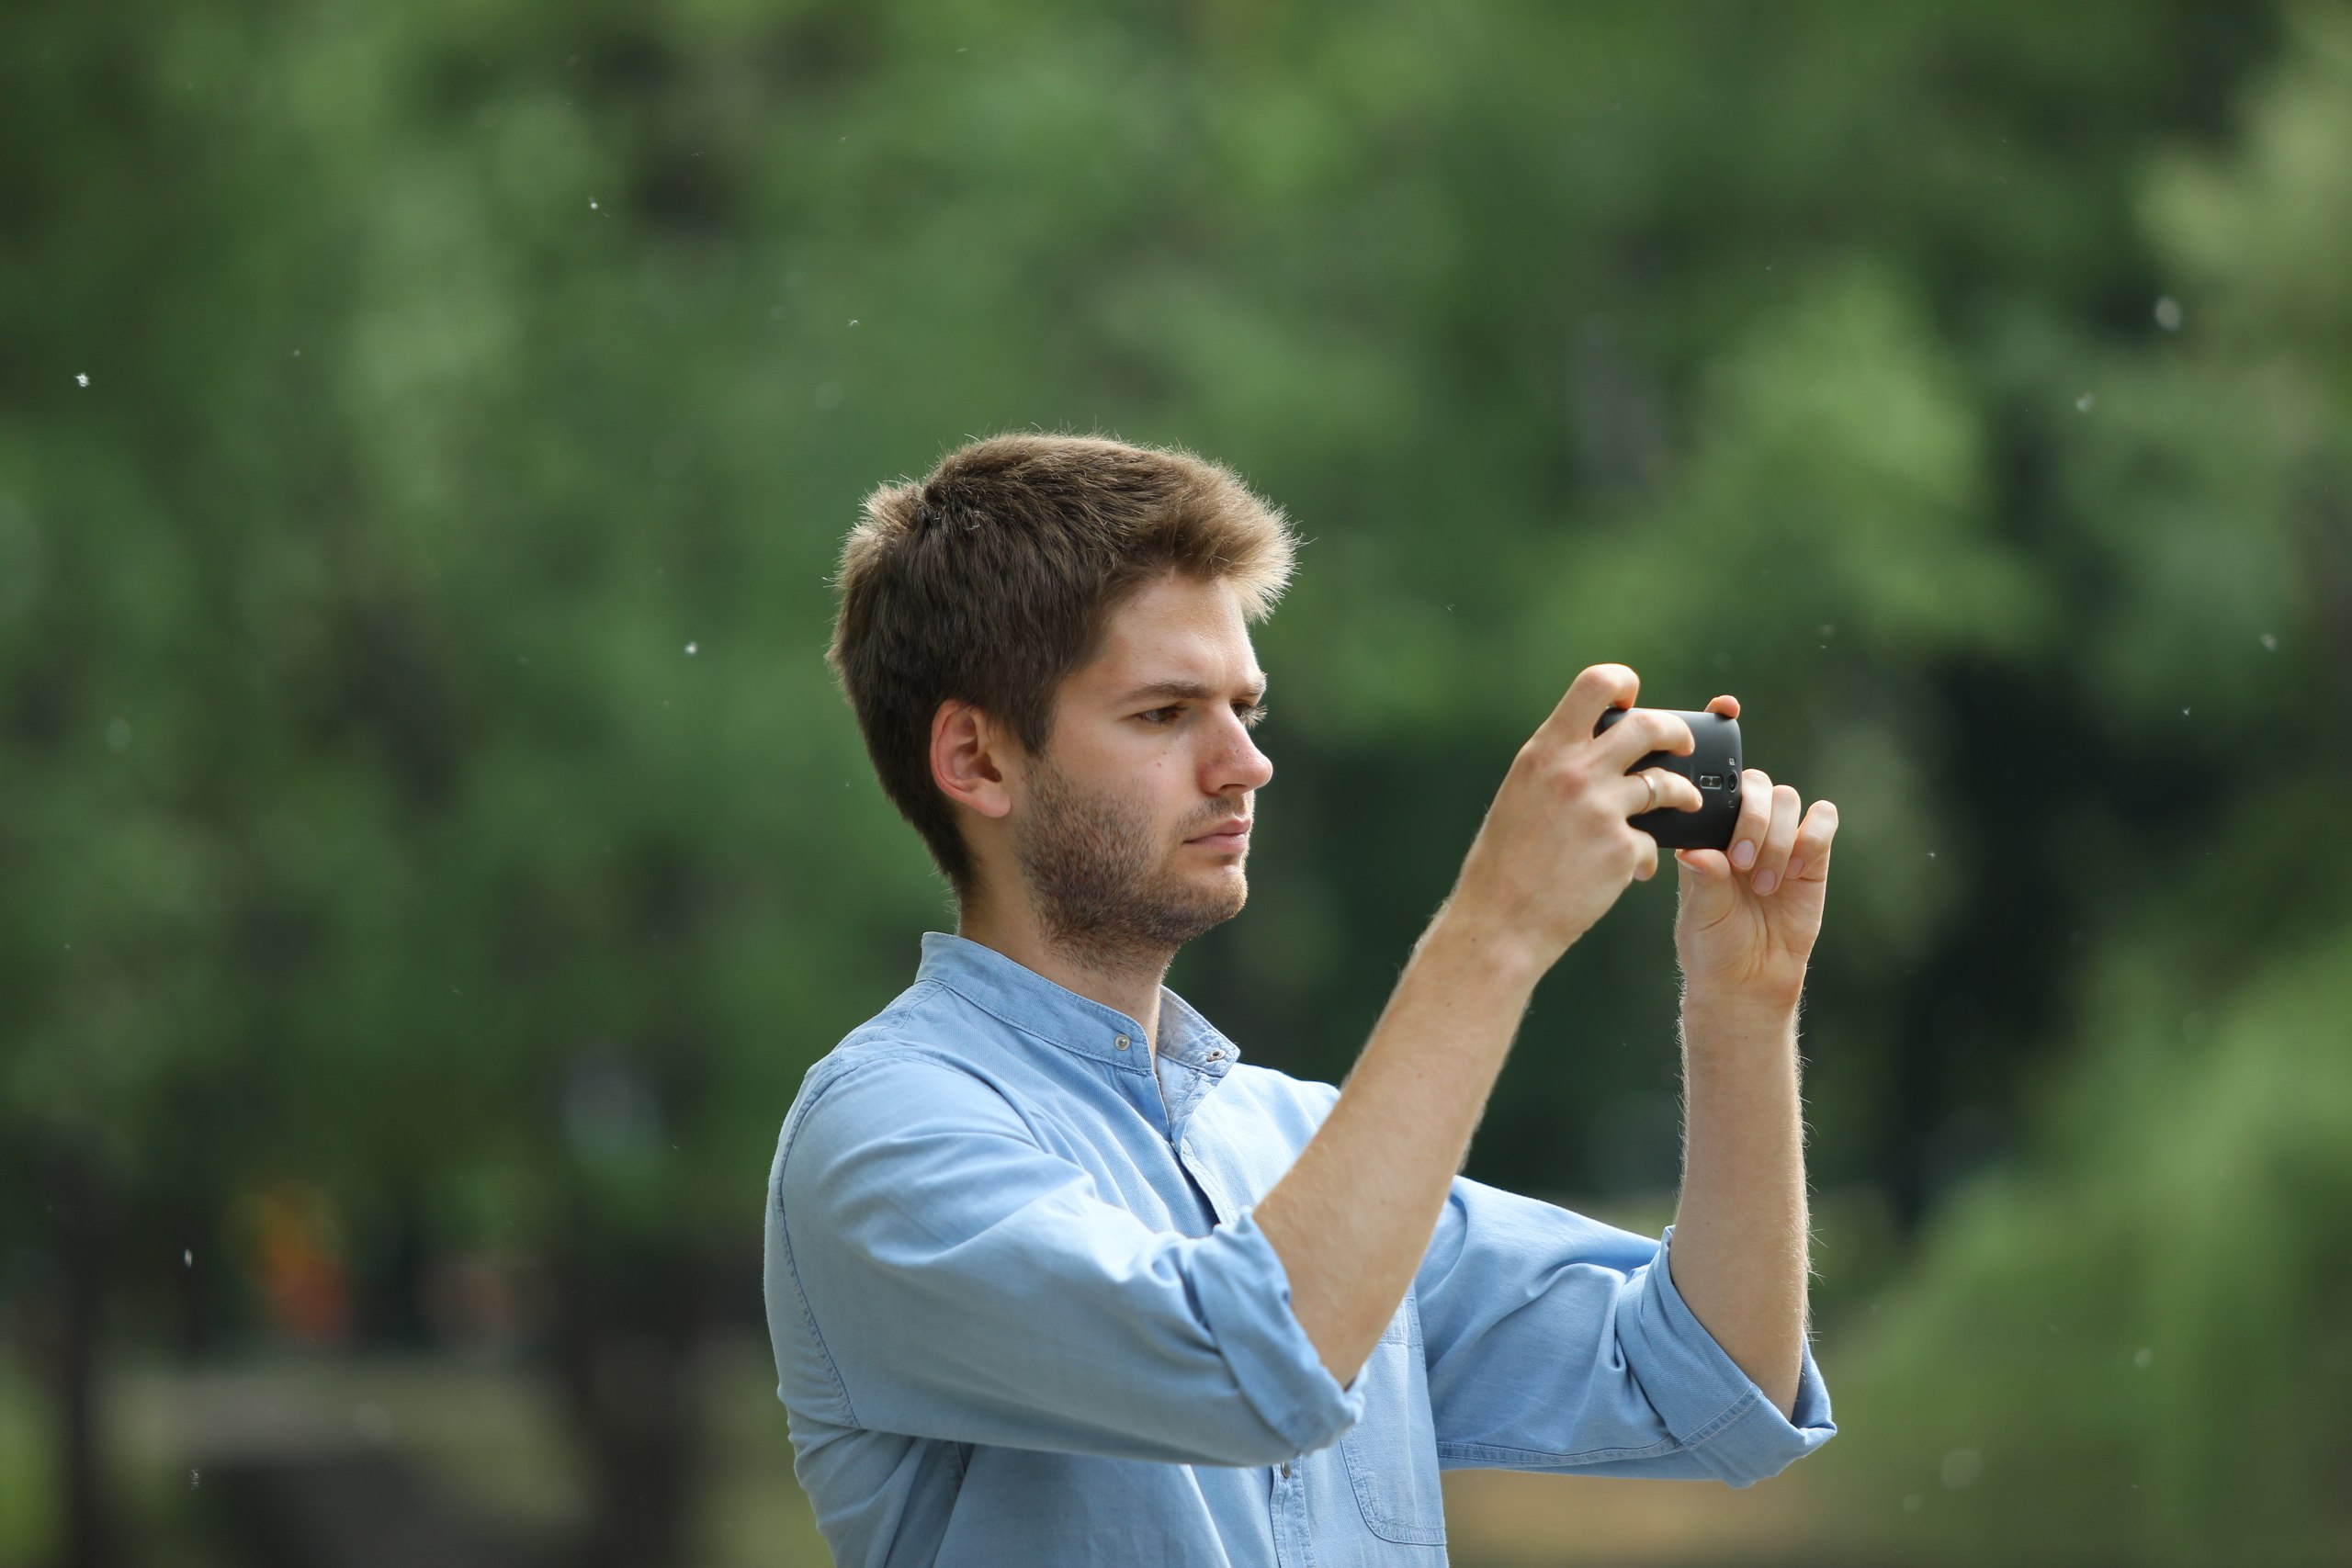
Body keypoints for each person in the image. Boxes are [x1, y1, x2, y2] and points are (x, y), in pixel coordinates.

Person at [763, 433, 1838, 1565]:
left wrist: (1741, 1017)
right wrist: (1496, 926)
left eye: (1247, 708)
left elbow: (1714, 1385)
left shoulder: (1297, 1141)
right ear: (975, 761)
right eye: (1164, 713)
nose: (1244, 763)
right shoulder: (883, 1135)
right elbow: (1245, 1367)